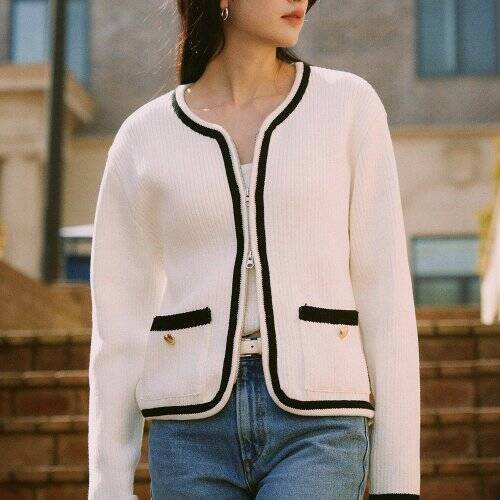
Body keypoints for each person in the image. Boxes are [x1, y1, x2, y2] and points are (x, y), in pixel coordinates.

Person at [88, 1, 421, 499]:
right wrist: (108, 489)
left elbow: (386, 293)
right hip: (189, 432)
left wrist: (398, 483)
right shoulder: (144, 137)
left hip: (319, 424)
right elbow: (117, 327)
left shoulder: (348, 105)